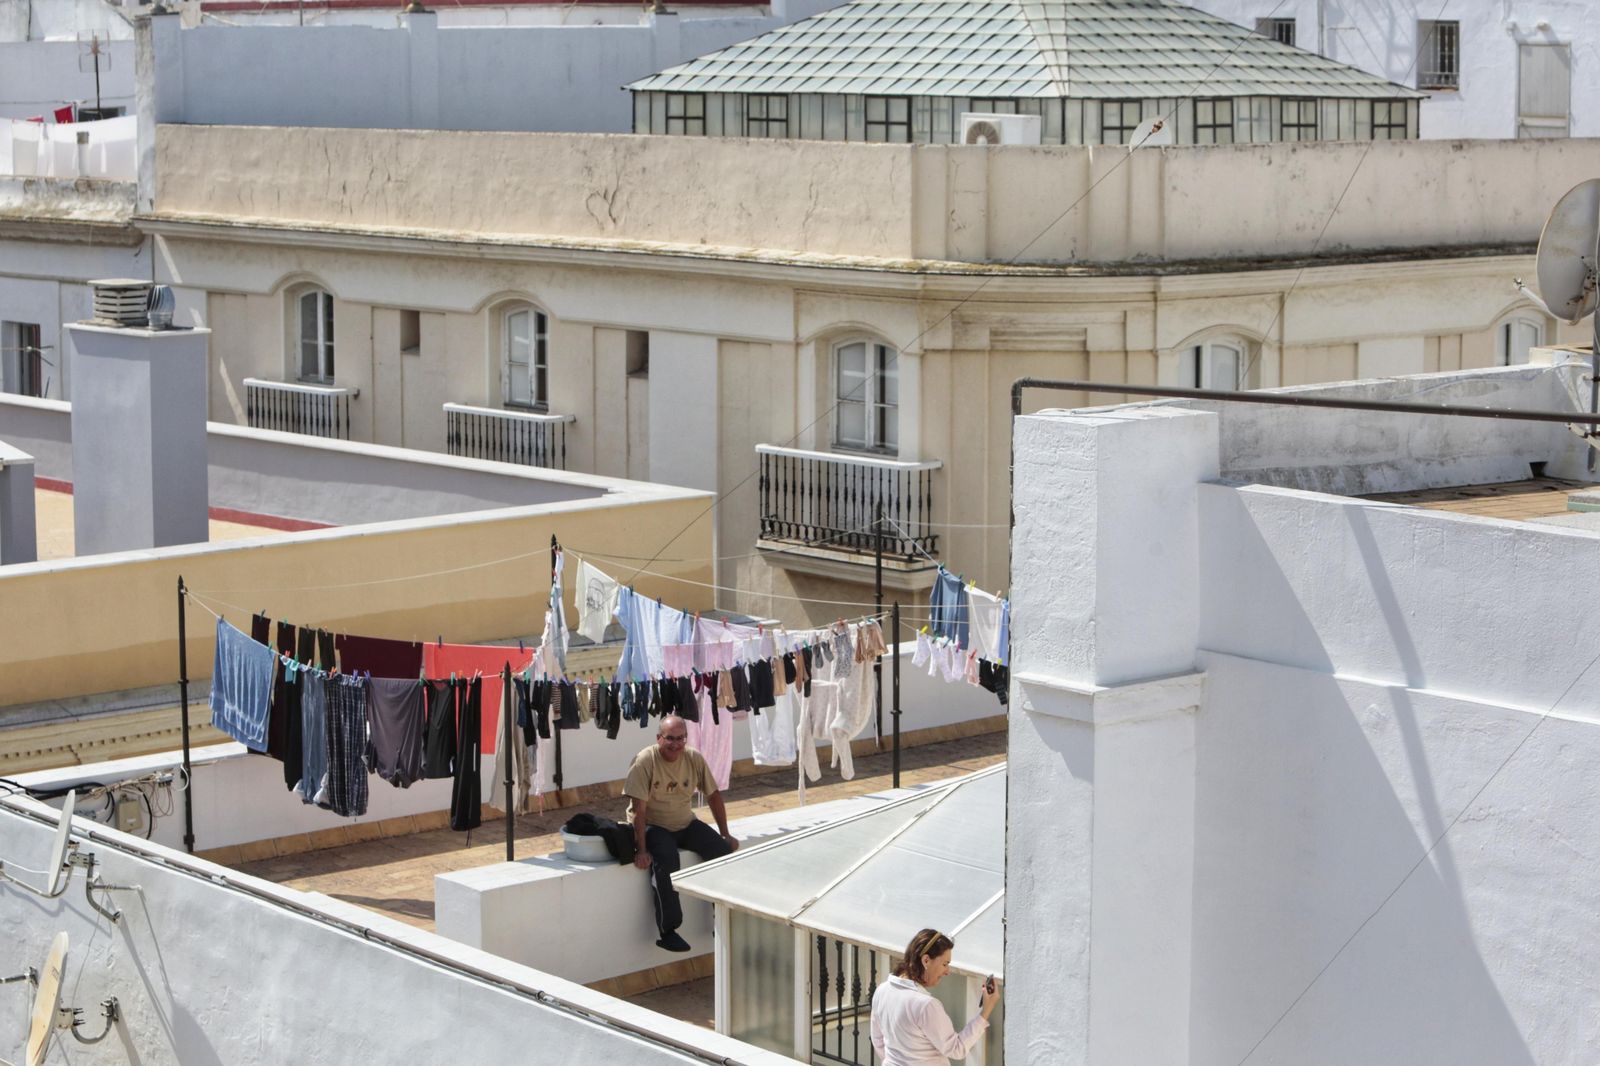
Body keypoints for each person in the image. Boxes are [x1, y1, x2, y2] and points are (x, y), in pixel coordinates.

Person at [625, 714, 739, 952]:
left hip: (684, 822)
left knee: (722, 854)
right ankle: (668, 931)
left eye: (680, 738)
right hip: (654, 824)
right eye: (670, 738)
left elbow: (713, 795)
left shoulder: (693, 758)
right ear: (659, 738)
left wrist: (725, 834)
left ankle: (722, 919)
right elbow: (638, 810)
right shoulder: (645, 760)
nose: (675, 744)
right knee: (667, 861)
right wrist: (641, 849)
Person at [870, 928, 1001, 1065]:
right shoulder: (925, 1005)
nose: (947, 971)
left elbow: (877, 1040)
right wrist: (986, 1011)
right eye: (945, 964)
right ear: (926, 960)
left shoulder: (881, 991)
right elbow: (956, 1049)